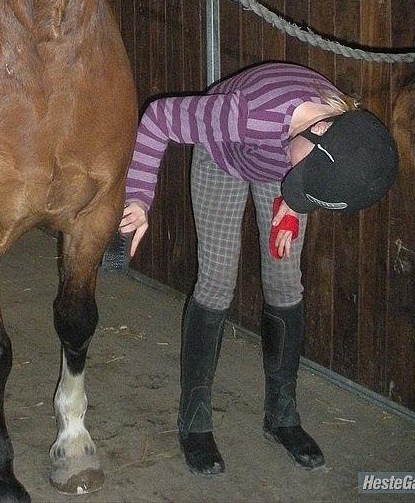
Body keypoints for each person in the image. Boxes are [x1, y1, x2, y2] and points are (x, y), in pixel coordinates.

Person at [119, 61, 397, 476]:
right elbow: (158, 119)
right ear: (318, 130)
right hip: (225, 156)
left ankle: (282, 414)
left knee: (286, 283)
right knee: (216, 282)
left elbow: (316, 174)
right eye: (304, 174)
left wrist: (295, 200)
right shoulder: (247, 114)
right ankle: (194, 418)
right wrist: (139, 199)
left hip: (280, 164)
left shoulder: (340, 130)